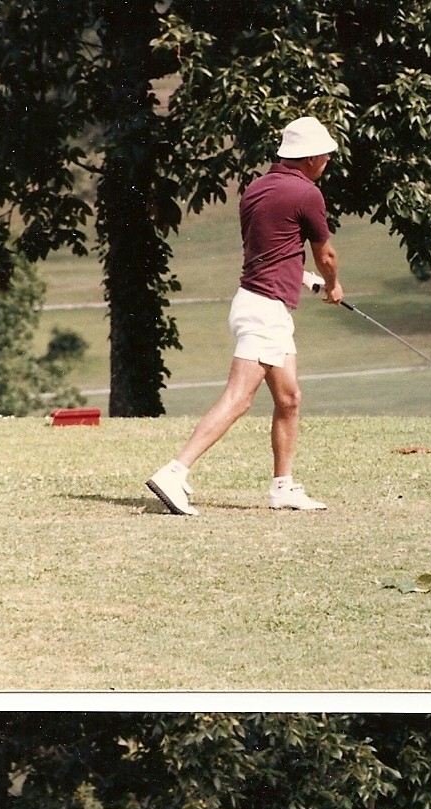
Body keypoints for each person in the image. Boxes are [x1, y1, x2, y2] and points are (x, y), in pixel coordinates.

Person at [146, 116, 345, 517]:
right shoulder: (307, 194)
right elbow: (326, 254)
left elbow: (272, 252)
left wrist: (306, 281)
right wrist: (332, 283)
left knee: (289, 398)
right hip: (266, 309)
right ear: (310, 157)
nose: (327, 160)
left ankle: (283, 487)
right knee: (239, 399)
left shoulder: (257, 188)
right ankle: (174, 472)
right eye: (325, 154)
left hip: (256, 300)